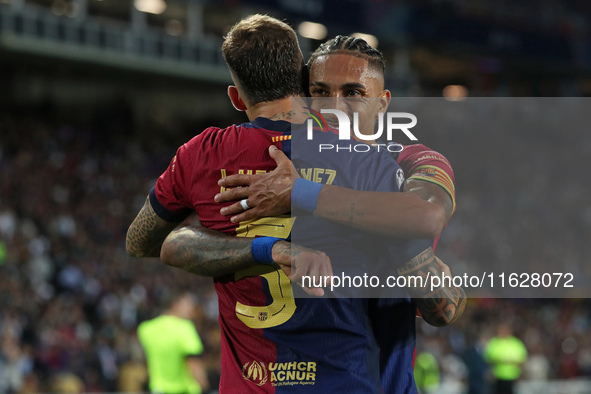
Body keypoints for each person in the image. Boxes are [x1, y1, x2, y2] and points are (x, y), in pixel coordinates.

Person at [128, 16, 463, 393]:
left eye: (353, 93)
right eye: (321, 92)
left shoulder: (407, 160)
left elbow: (429, 220)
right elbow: (173, 244)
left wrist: (300, 193)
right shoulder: (362, 169)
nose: (335, 106)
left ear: (382, 102)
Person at [137, 292, 209, 394]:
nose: (192, 310)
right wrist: (205, 387)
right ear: (175, 304)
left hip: (158, 389)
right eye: (189, 304)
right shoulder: (185, 328)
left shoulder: (146, 329)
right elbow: (193, 362)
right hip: (185, 390)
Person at [484, 323, 528, 394]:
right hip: (497, 376)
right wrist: (501, 360)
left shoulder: (516, 343)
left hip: (513, 376)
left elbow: (522, 359)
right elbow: (488, 358)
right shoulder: (494, 342)